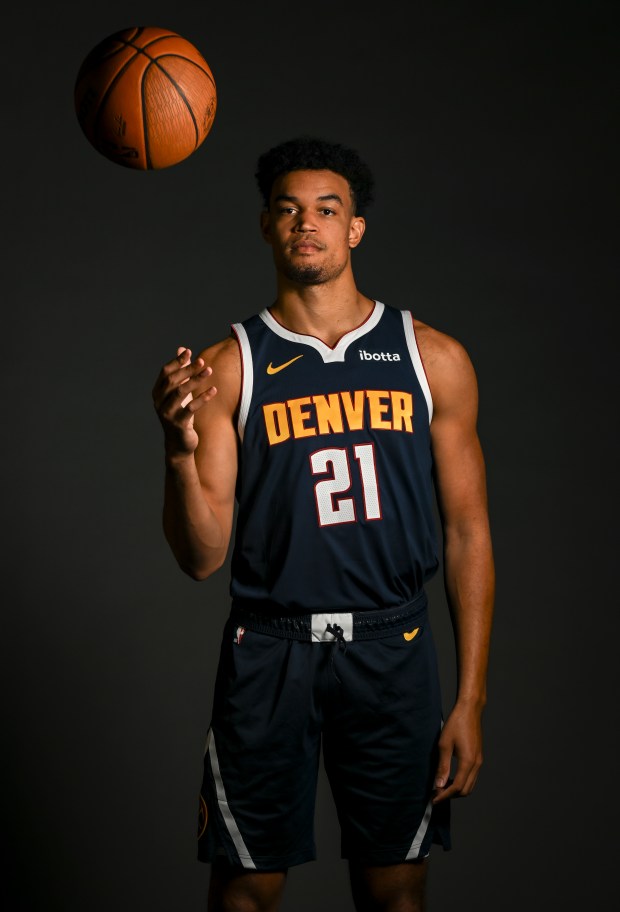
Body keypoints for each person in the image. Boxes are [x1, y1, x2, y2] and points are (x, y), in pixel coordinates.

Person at [152, 136, 495, 912]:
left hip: (393, 652)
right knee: (244, 894)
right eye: (288, 210)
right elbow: (203, 558)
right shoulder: (228, 369)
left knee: (396, 894)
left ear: (355, 230)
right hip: (271, 653)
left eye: (327, 210)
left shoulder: (430, 358)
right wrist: (178, 453)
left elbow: (468, 534)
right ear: (267, 228)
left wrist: (470, 699)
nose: (307, 224)